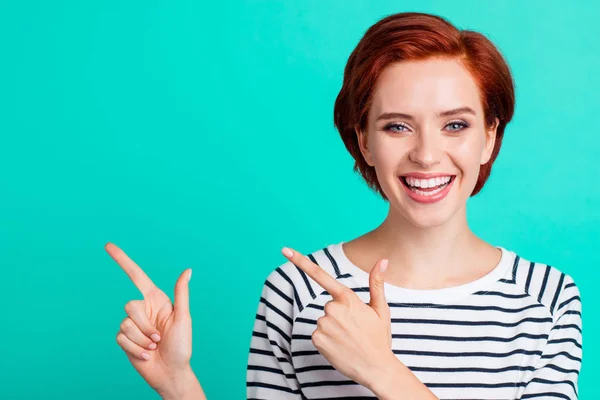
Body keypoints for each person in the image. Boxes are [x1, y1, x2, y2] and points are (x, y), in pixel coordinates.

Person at [107, 11, 583, 400]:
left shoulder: (548, 300)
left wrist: (383, 371)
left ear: (489, 137)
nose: (426, 154)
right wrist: (178, 384)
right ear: (364, 142)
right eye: (397, 126)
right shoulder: (295, 291)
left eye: (455, 125)